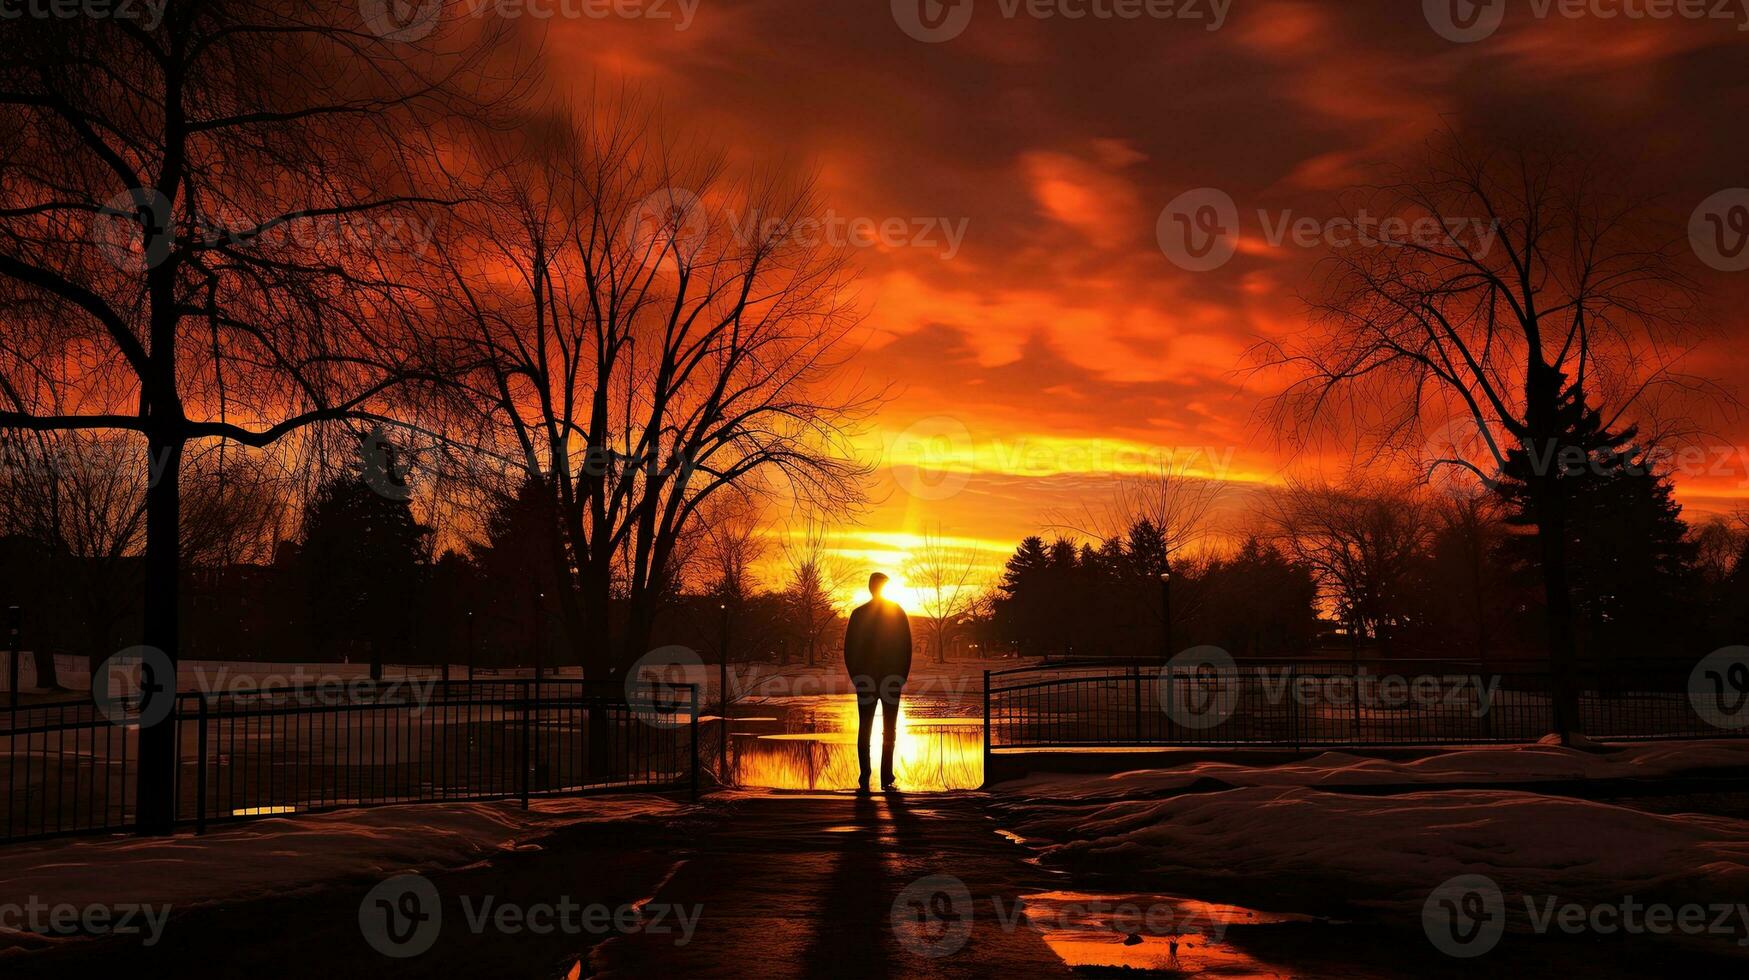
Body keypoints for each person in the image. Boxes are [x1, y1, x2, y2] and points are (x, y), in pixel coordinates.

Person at [843, 572, 912, 792]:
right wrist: (900, 676)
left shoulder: (859, 614)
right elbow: (906, 648)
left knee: (867, 728)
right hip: (887, 679)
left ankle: (867, 775)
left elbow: (849, 650)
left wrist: (857, 676)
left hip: (869, 679)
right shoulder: (896, 612)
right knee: (887, 729)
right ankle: (885, 775)